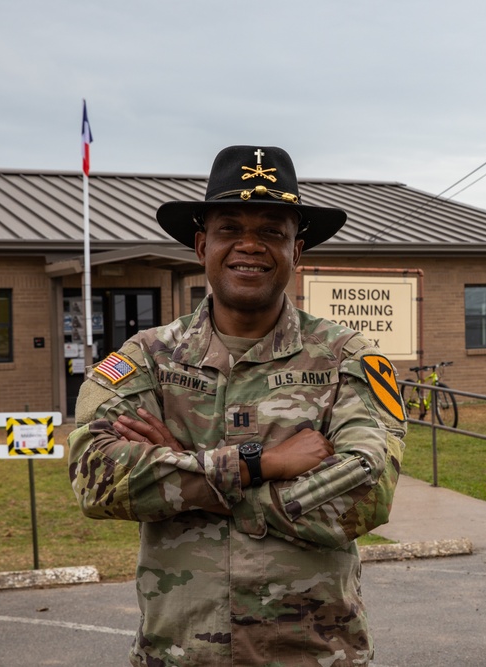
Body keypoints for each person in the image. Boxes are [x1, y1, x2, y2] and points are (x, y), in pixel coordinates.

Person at [68, 145, 407, 667]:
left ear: (297, 251)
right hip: (179, 652)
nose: (250, 246)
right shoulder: (149, 359)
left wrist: (185, 472)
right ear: (202, 246)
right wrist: (258, 464)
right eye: (230, 229)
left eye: (273, 231)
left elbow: (363, 496)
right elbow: (95, 479)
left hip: (314, 654)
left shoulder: (348, 359)